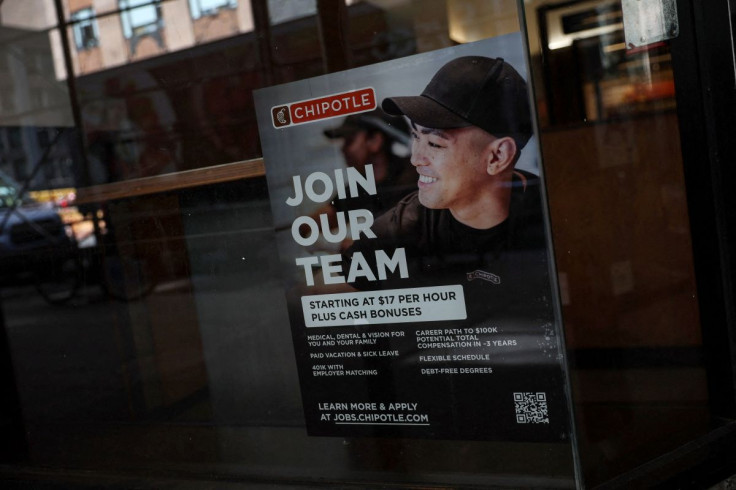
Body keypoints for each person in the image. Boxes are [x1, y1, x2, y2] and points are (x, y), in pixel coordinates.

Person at [344, 56, 551, 325]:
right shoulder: (406, 223)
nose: (415, 159)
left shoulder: (550, 218)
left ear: (498, 156)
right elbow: (319, 294)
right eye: (416, 137)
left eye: (435, 144)